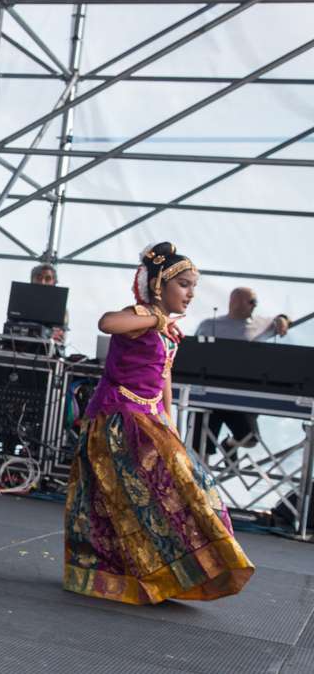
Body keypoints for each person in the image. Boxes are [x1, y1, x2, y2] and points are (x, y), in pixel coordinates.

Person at [64, 242, 253, 605]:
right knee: (121, 501)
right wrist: (155, 318)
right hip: (117, 419)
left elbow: (164, 376)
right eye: (184, 285)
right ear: (159, 285)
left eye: (193, 287)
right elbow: (107, 323)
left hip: (148, 419)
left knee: (177, 491)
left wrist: (170, 420)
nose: (191, 294)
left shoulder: (170, 332)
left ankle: (180, 571)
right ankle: (121, 576)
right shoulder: (139, 316)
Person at [190, 288, 289, 462]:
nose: (255, 306)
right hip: (208, 391)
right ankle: (199, 483)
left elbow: (285, 320)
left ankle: (229, 444)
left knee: (249, 438)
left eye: (255, 302)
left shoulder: (262, 324)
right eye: (251, 301)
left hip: (241, 393)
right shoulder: (209, 324)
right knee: (199, 447)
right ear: (234, 301)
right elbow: (195, 353)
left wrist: (282, 319)